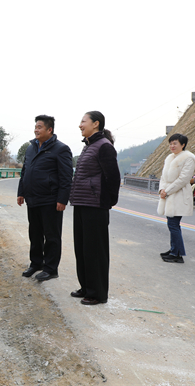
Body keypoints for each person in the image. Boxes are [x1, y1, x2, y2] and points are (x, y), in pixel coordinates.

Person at [69, 111, 120, 305]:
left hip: (95, 206)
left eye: (83, 121)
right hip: (82, 203)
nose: (80, 125)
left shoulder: (104, 146)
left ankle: (97, 293)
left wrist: (107, 202)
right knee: (82, 249)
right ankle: (86, 287)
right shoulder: (89, 146)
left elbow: (113, 177)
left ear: (96, 124)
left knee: (95, 252)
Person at [17, 115, 73, 282]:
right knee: (34, 234)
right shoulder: (31, 148)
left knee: (51, 236)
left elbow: (66, 177)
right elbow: (25, 171)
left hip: (50, 200)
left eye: (39, 127)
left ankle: (51, 268)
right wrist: (21, 192)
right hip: (32, 199)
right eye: (35, 127)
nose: (36, 130)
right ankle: (36, 263)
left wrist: (62, 199)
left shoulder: (61, 149)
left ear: (50, 129)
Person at [157, 133, 195, 264]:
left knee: (173, 224)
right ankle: (174, 250)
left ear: (183, 144)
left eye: (175, 143)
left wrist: (167, 191)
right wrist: (162, 190)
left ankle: (177, 254)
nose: (172, 146)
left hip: (179, 195)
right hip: (169, 195)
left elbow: (183, 179)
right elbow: (163, 177)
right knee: (172, 224)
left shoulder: (188, 158)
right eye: (170, 143)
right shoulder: (169, 158)